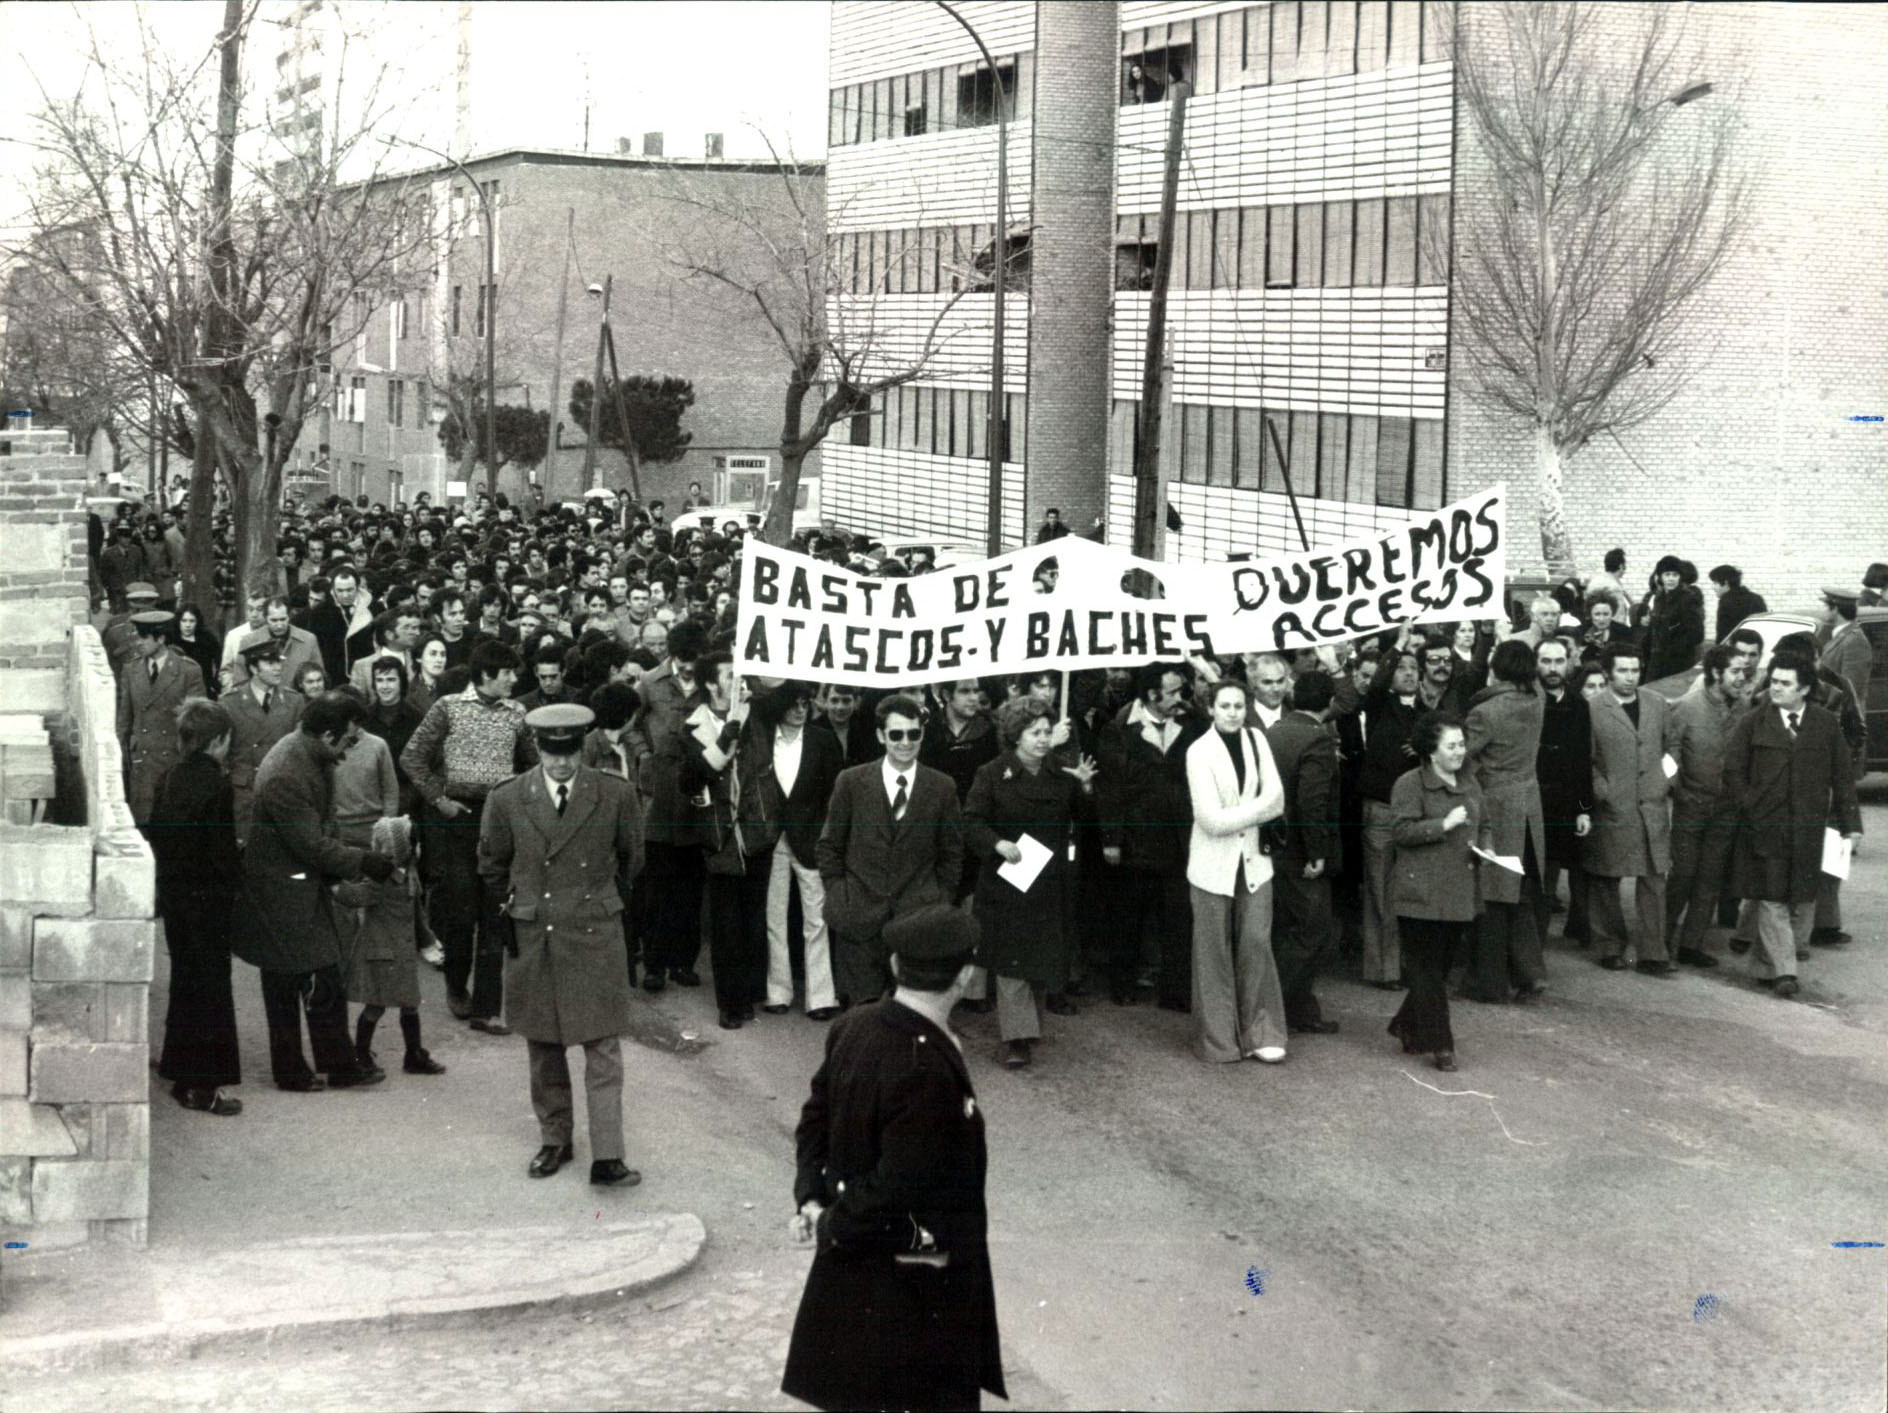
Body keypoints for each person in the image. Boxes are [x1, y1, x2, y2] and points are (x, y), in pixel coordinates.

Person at [783, 904, 1005, 1413]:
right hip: (913, 1284)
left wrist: (811, 1199)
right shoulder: (924, 1066)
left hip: (854, 1275)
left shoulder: (854, 1026)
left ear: (896, 966)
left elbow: (814, 1120)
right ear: (964, 976)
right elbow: (897, 1183)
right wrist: (830, 1224)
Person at [479, 704, 646, 1185]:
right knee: (544, 1044)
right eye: (552, 753)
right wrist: (519, 907)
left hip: (593, 930)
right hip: (536, 933)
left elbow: (633, 860)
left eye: (570, 752)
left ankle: (608, 1156)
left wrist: (601, 902)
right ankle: (555, 1141)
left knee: (603, 1046)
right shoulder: (509, 798)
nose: (562, 764)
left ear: (582, 748)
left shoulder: (615, 794)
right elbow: (492, 865)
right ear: (537, 749)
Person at [230, 692, 396, 1091]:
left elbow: (327, 823)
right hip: (281, 892)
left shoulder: (313, 756)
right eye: (347, 741)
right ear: (326, 735)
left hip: (300, 886)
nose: (348, 750)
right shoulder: (288, 771)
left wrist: (341, 869)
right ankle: (296, 1071)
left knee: (321, 973)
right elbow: (311, 844)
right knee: (288, 982)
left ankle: (333, 1065)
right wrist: (363, 861)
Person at [401, 639, 538, 1033]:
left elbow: (531, 764)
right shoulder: (447, 708)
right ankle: (456, 986)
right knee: (461, 912)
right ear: (485, 675)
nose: (514, 679)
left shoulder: (517, 714)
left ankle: (487, 1007)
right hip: (455, 821)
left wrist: (517, 803)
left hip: (498, 820)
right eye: (507, 672)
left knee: (496, 911)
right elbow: (411, 757)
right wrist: (439, 800)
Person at [964, 697, 1096, 1069]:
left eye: (1045, 732)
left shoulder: (1061, 774)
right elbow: (970, 821)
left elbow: (1082, 824)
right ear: (1015, 736)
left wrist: (1085, 789)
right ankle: (1016, 1038)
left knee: (1039, 959)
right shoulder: (991, 773)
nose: (1042, 739)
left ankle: (1028, 1027)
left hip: (1049, 882)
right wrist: (997, 844)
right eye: (1033, 732)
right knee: (1010, 961)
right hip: (1007, 882)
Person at [1722, 654, 1863, 999]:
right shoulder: (1753, 722)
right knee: (1773, 898)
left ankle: (1762, 966)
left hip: (1807, 829)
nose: (1776, 688)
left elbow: (1842, 776)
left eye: (1785, 683)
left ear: (1804, 689)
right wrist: (1749, 804)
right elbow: (1733, 771)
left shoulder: (1825, 725)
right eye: (1774, 681)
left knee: (1795, 899)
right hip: (1764, 827)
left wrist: (1851, 824)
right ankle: (1786, 971)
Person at [816, 694, 965, 1010]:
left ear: (922, 734)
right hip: (858, 918)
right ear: (881, 736)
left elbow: (951, 852)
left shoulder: (942, 787)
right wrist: (840, 894)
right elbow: (830, 845)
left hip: (917, 920)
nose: (905, 742)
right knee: (862, 1015)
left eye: (914, 733)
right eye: (896, 734)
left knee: (912, 1016)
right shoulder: (852, 782)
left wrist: (938, 901)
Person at [1184, 679, 1288, 1065]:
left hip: (1255, 863)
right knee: (1212, 951)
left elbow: (1278, 798)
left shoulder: (1258, 742)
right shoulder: (1198, 752)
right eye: (1225, 706)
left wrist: (1258, 809)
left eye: (1239, 706)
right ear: (1210, 708)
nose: (1232, 713)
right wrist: (1260, 809)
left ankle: (1262, 1032)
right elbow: (1209, 820)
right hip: (1212, 866)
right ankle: (1218, 1040)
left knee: (1256, 944)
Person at [149, 699, 244, 1116]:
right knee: (211, 992)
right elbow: (221, 853)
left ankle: (179, 1070)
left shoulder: (168, 777)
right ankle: (204, 1087)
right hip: (208, 902)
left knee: (185, 983)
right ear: (217, 741)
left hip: (176, 898)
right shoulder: (217, 785)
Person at [1096, 663, 1205, 1009]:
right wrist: (1111, 839)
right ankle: (1123, 984)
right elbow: (1110, 789)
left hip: (1178, 841)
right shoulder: (1118, 731)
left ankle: (1175, 991)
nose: (1180, 698)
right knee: (1128, 915)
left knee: (1177, 917)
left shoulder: (1191, 725)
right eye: (1173, 692)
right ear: (1151, 694)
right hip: (1135, 840)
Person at [681, 653, 778, 1031]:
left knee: (753, 918)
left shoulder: (758, 713)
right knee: (726, 924)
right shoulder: (692, 726)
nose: (738, 680)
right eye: (729, 674)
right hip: (720, 836)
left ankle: (748, 994)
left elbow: (787, 689)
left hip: (757, 831)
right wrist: (727, 735)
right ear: (710, 684)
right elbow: (692, 777)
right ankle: (729, 1004)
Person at [1386, 713, 1481, 1072]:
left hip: (1459, 889)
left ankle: (1405, 1025)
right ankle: (1442, 1044)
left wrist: (1484, 850)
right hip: (1420, 892)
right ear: (1431, 751)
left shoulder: (1470, 782)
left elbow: (1483, 823)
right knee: (1426, 970)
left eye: (1462, 744)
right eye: (1452, 745)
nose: (1460, 751)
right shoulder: (1409, 784)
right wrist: (1443, 824)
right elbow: (1400, 831)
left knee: (1437, 971)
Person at [1457, 639, 1549, 1003]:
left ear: (1497, 669)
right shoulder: (1536, 701)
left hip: (1497, 807)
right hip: (1528, 806)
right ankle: (1531, 973)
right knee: (1519, 893)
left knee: (1491, 897)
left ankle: (1490, 982)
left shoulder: (1487, 711)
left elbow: (1460, 755)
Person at [628, 618, 710, 993]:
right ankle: (655, 964)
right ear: (673, 654)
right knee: (657, 883)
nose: (690, 666)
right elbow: (628, 722)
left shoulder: (710, 683)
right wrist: (644, 753)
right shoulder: (649, 681)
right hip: (659, 794)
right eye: (684, 658)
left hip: (697, 791)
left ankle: (683, 961)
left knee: (691, 885)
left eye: (696, 658)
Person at [1586, 644, 1675, 975]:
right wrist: (1601, 789)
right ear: (1608, 672)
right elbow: (1587, 759)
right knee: (1607, 877)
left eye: (1635, 670)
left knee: (1654, 878)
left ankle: (1654, 952)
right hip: (1614, 807)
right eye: (1623, 670)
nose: (1630, 677)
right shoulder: (1594, 708)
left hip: (1651, 806)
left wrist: (1664, 779)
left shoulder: (1656, 703)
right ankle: (1609, 946)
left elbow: (1673, 745)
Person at [1264, 670, 1343, 1037]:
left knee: (1286, 929)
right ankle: (1269, 1007)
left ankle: (1299, 1009)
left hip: (1273, 846)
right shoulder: (1319, 740)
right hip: (1301, 853)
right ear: (1329, 703)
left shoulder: (1274, 732)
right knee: (1314, 930)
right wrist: (1317, 852)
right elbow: (1312, 801)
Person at [760, 681, 846, 1020]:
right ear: (779, 706)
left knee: (817, 919)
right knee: (774, 917)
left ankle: (821, 997)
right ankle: (777, 991)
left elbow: (835, 795)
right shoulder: (764, 738)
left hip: (810, 841)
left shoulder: (823, 740)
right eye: (793, 703)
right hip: (771, 840)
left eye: (806, 703)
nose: (800, 709)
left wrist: (822, 835)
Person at [1663, 644, 1748, 969]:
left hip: (1726, 808)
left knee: (1710, 878)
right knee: (1682, 875)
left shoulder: (1743, 708)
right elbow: (1670, 755)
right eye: (1736, 671)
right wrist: (1676, 790)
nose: (1742, 677)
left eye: (1744, 671)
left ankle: (1691, 945)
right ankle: (1660, 942)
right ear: (1716, 673)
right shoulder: (1686, 707)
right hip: (1691, 806)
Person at [118, 610, 208, 827]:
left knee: (172, 825)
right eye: (136, 637)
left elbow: (199, 723)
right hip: (142, 761)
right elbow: (124, 720)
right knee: (143, 822)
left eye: (143, 637)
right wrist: (121, 756)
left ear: (161, 639)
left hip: (174, 760)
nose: (138, 643)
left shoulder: (188, 671)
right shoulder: (131, 670)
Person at [1533, 640, 1595, 946]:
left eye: (1558, 661)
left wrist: (1584, 808)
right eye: (1546, 661)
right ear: (1536, 663)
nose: (1553, 668)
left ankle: (1538, 942)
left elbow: (1584, 761)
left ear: (1568, 663)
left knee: (1550, 876)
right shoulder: (1527, 699)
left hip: (1562, 806)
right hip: (1530, 801)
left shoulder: (1578, 705)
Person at [1641, 555, 1706, 680]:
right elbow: (1654, 630)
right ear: (1660, 577)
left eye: (1675, 575)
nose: (1671, 579)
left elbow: (1697, 635)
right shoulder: (1659, 599)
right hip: (1655, 662)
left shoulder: (1688, 599)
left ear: (1680, 577)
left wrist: (1672, 650)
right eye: (1667, 574)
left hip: (1677, 664)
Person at [173, 603, 222, 700]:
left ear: (197, 622)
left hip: (203, 689)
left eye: (192, 621)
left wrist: (214, 683)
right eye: (184, 621)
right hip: (178, 690)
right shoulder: (172, 640)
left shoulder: (207, 639)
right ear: (178, 621)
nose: (188, 625)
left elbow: (220, 662)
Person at [1708, 565, 1767, 643]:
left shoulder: (1726, 601)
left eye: (1715, 583)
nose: (1713, 587)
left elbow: (1723, 634)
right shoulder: (1757, 598)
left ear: (1725, 583)